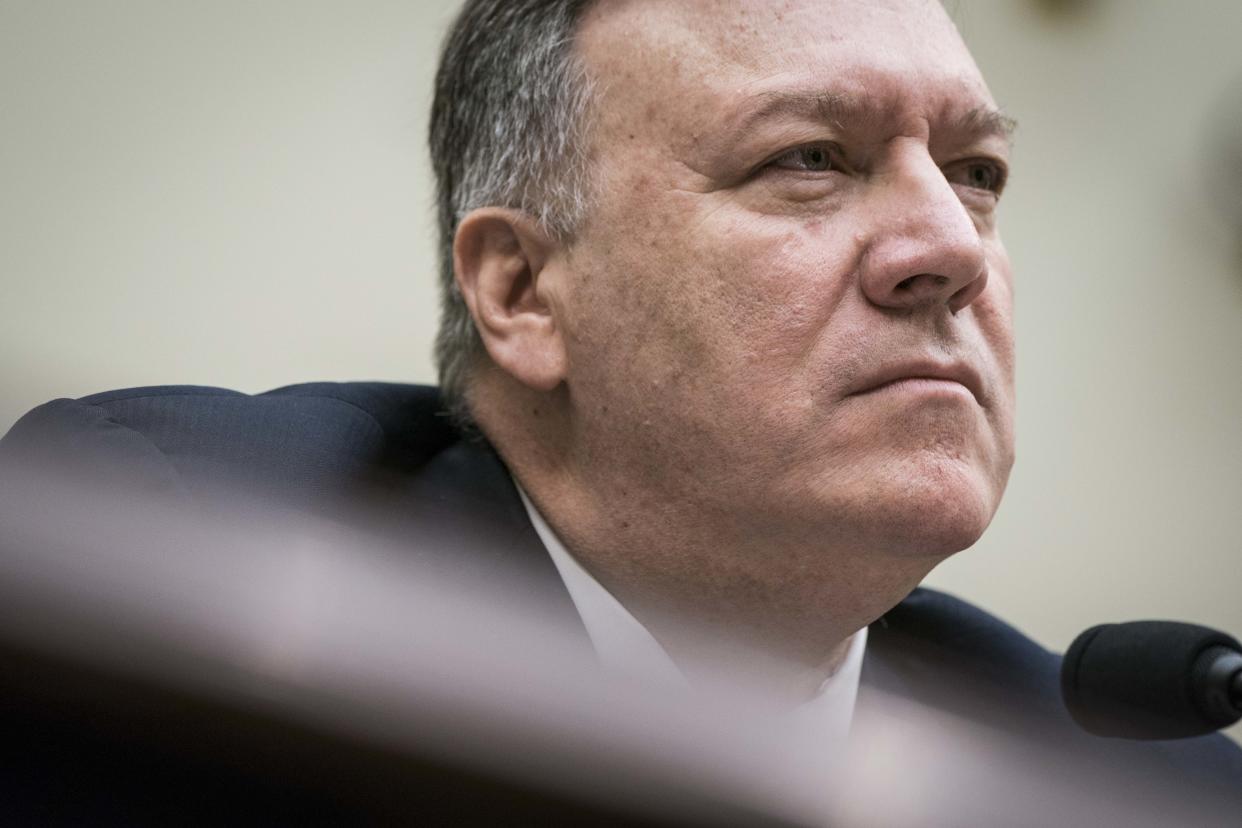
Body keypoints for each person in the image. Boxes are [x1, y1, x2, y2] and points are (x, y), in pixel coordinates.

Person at [1, 0, 1239, 822]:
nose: (948, 248)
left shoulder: (1139, 777)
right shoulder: (185, 569)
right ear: (523, 290)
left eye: (976, 175)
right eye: (809, 157)